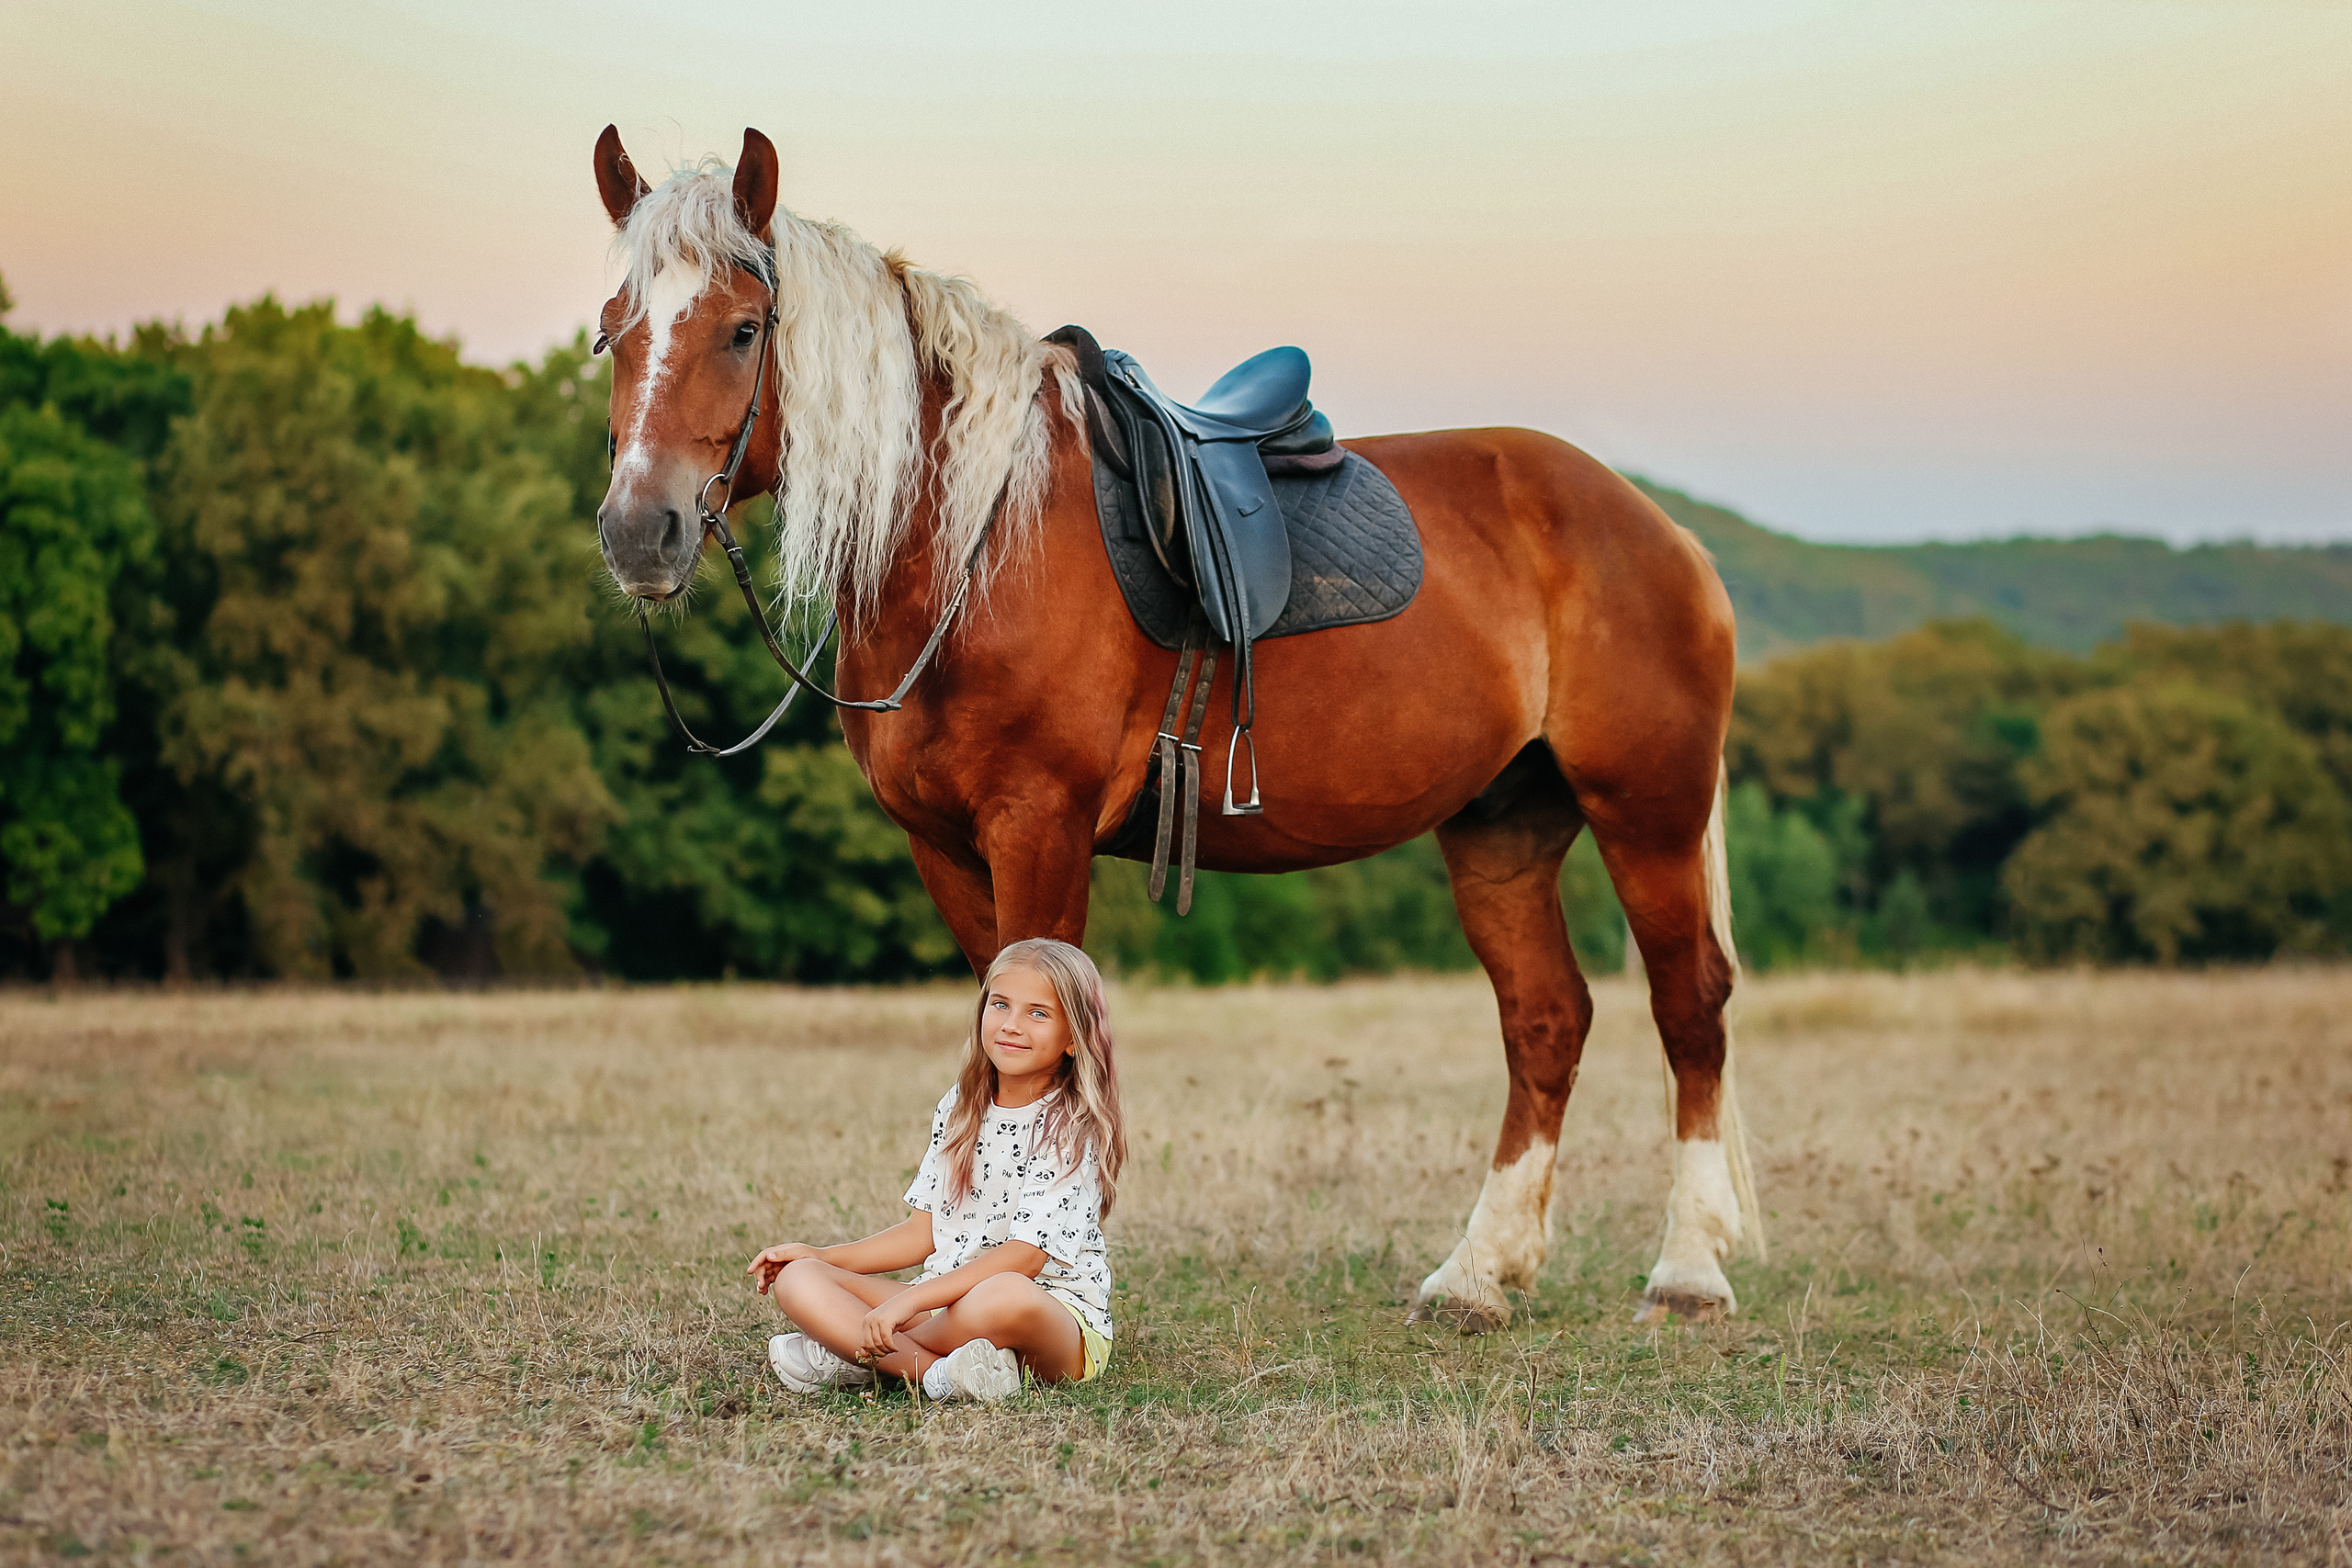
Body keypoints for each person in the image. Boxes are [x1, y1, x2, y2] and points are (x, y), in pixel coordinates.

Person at [746, 938, 1126, 1403]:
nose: (1011, 1025)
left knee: (1002, 1293)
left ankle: (861, 1358)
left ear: (1074, 1037)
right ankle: (941, 1375)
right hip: (941, 1306)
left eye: (1039, 1013)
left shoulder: (1069, 1126)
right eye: (1000, 1004)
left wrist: (906, 1302)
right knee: (798, 1278)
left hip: (1048, 1320)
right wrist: (821, 1256)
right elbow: (922, 1233)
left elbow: (1025, 1258)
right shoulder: (961, 1107)